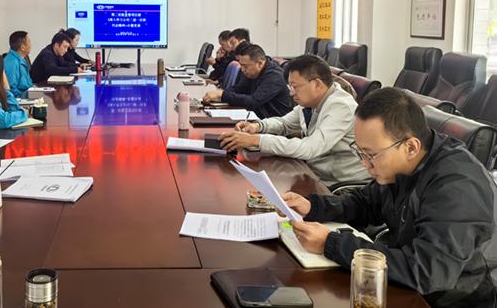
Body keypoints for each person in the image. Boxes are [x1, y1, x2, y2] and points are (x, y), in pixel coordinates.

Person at [283, 88, 497, 308]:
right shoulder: (404, 163)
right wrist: (314, 206)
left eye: (371, 155)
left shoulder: (457, 186)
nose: (364, 164)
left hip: (451, 299)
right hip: (406, 284)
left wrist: (331, 243)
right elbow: (366, 202)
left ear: (410, 147)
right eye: (361, 152)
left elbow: (427, 271)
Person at [219, 55, 369, 186]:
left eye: (295, 87)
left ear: (317, 84)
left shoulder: (340, 106)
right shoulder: (311, 102)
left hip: (337, 185)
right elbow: (284, 123)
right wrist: (257, 126)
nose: (291, 93)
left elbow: (310, 148)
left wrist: (256, 140)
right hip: (313, 173)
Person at [203, 44, 290, 119]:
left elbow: (254, 101)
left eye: (245, 66)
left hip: (273, 123)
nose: (242, 69)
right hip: (254, 117)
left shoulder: (274, 76)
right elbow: (239, 89)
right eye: (241, 65)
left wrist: (223, 95)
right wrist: (219, 93)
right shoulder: (251, 72)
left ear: (259, 63)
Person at [4, 31, 33, 97]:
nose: (31, 45)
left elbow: (28, 83)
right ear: (22, 47)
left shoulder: (22, 59)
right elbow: (11, 90)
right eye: (29, 42)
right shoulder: (12, 63)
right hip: (20, 100)